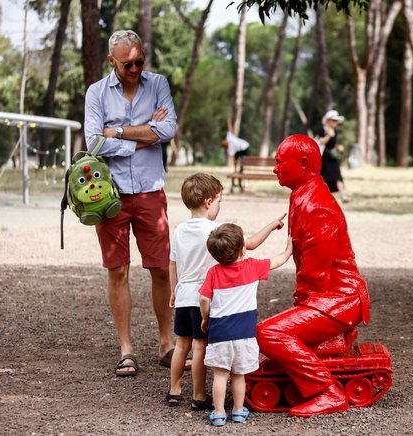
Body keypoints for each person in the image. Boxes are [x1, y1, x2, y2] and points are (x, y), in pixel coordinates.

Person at [84, 29, 178, 376]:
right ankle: (126, 348)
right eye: (128, 64)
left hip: (151, 189)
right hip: (111, 193)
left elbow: (167, 131)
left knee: (159, 269)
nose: (136, 67)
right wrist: (144, 134)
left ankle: (165, 343)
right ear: (112, 61)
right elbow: (94, 142)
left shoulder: (159, 84)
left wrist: (119, 131)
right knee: (118, 269)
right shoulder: (96, 93)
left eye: (140, 61)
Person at [256, 134, 370, 417]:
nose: (275, 168)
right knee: (278, 332)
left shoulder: (316, 206)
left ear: (303, 163)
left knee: (269, 333)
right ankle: (324, 347)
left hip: (338, 299)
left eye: (281, 162)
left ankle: (326, 391)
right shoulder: (303, 195)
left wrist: (299, 311)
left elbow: (314, 275)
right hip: (332, 297)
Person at [166, 173, 287, 408]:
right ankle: (198, 395)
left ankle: (174, 390)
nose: (220, 206)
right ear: (209, 202)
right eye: (220, 201)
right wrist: (272, 226)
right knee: (199, 347)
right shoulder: (217, 229)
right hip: (205, 296)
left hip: (183, 295)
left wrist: (174, 290)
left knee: (181, 344)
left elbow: (173, 264)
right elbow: (249, 244)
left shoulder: (179, 230)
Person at [200, 223, 293, 426]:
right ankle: (239, 411)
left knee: (220, 374)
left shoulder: (213, 273)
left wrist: (205, 318)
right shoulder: (252, 267)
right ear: (243, 249)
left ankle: (217, 413)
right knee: (238, 375)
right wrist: (289, 249)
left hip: (220, 333)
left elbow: (204, 299)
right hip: (244, 333)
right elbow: (279, 260)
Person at [315, 109, 350, 203]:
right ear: (328, 120)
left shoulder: (334, 131)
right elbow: (320, 142)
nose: (336, 122)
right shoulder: (322, 130)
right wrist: (329, 136)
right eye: (334, 120)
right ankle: (324, 198)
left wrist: (338, 147)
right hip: (324, 158)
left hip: (333, 158)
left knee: (338, 177)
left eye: (336, 120)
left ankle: (343, 196)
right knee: (325, 179)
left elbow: (333, 144)